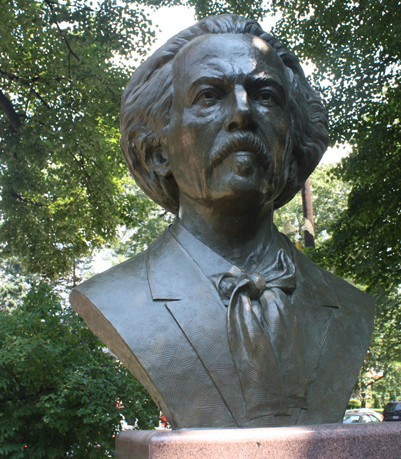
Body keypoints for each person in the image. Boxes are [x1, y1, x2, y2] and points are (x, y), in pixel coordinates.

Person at [70, 14, 374, 430]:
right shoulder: (117, 297)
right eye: (209, 96)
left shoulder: (350, 306)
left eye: (266, 96)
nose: (242, 114)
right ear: (159, 151)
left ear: (292, 149)